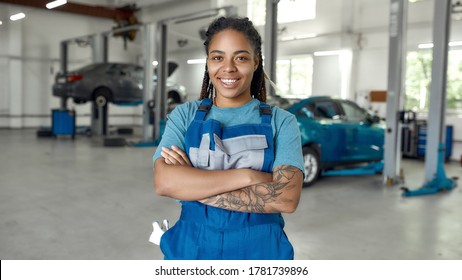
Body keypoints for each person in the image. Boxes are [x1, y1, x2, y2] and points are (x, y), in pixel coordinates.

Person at [152, 16, 304, 260]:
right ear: (208, 62)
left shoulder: (282, 121)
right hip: (192, 248)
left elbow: (286, 198)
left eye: (241, 57)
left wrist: (191, 186)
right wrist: (249, 176)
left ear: (256, 62)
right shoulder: (185, 115)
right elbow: (164, 183)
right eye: (218, 57)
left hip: (261, 252)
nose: (229, 68)